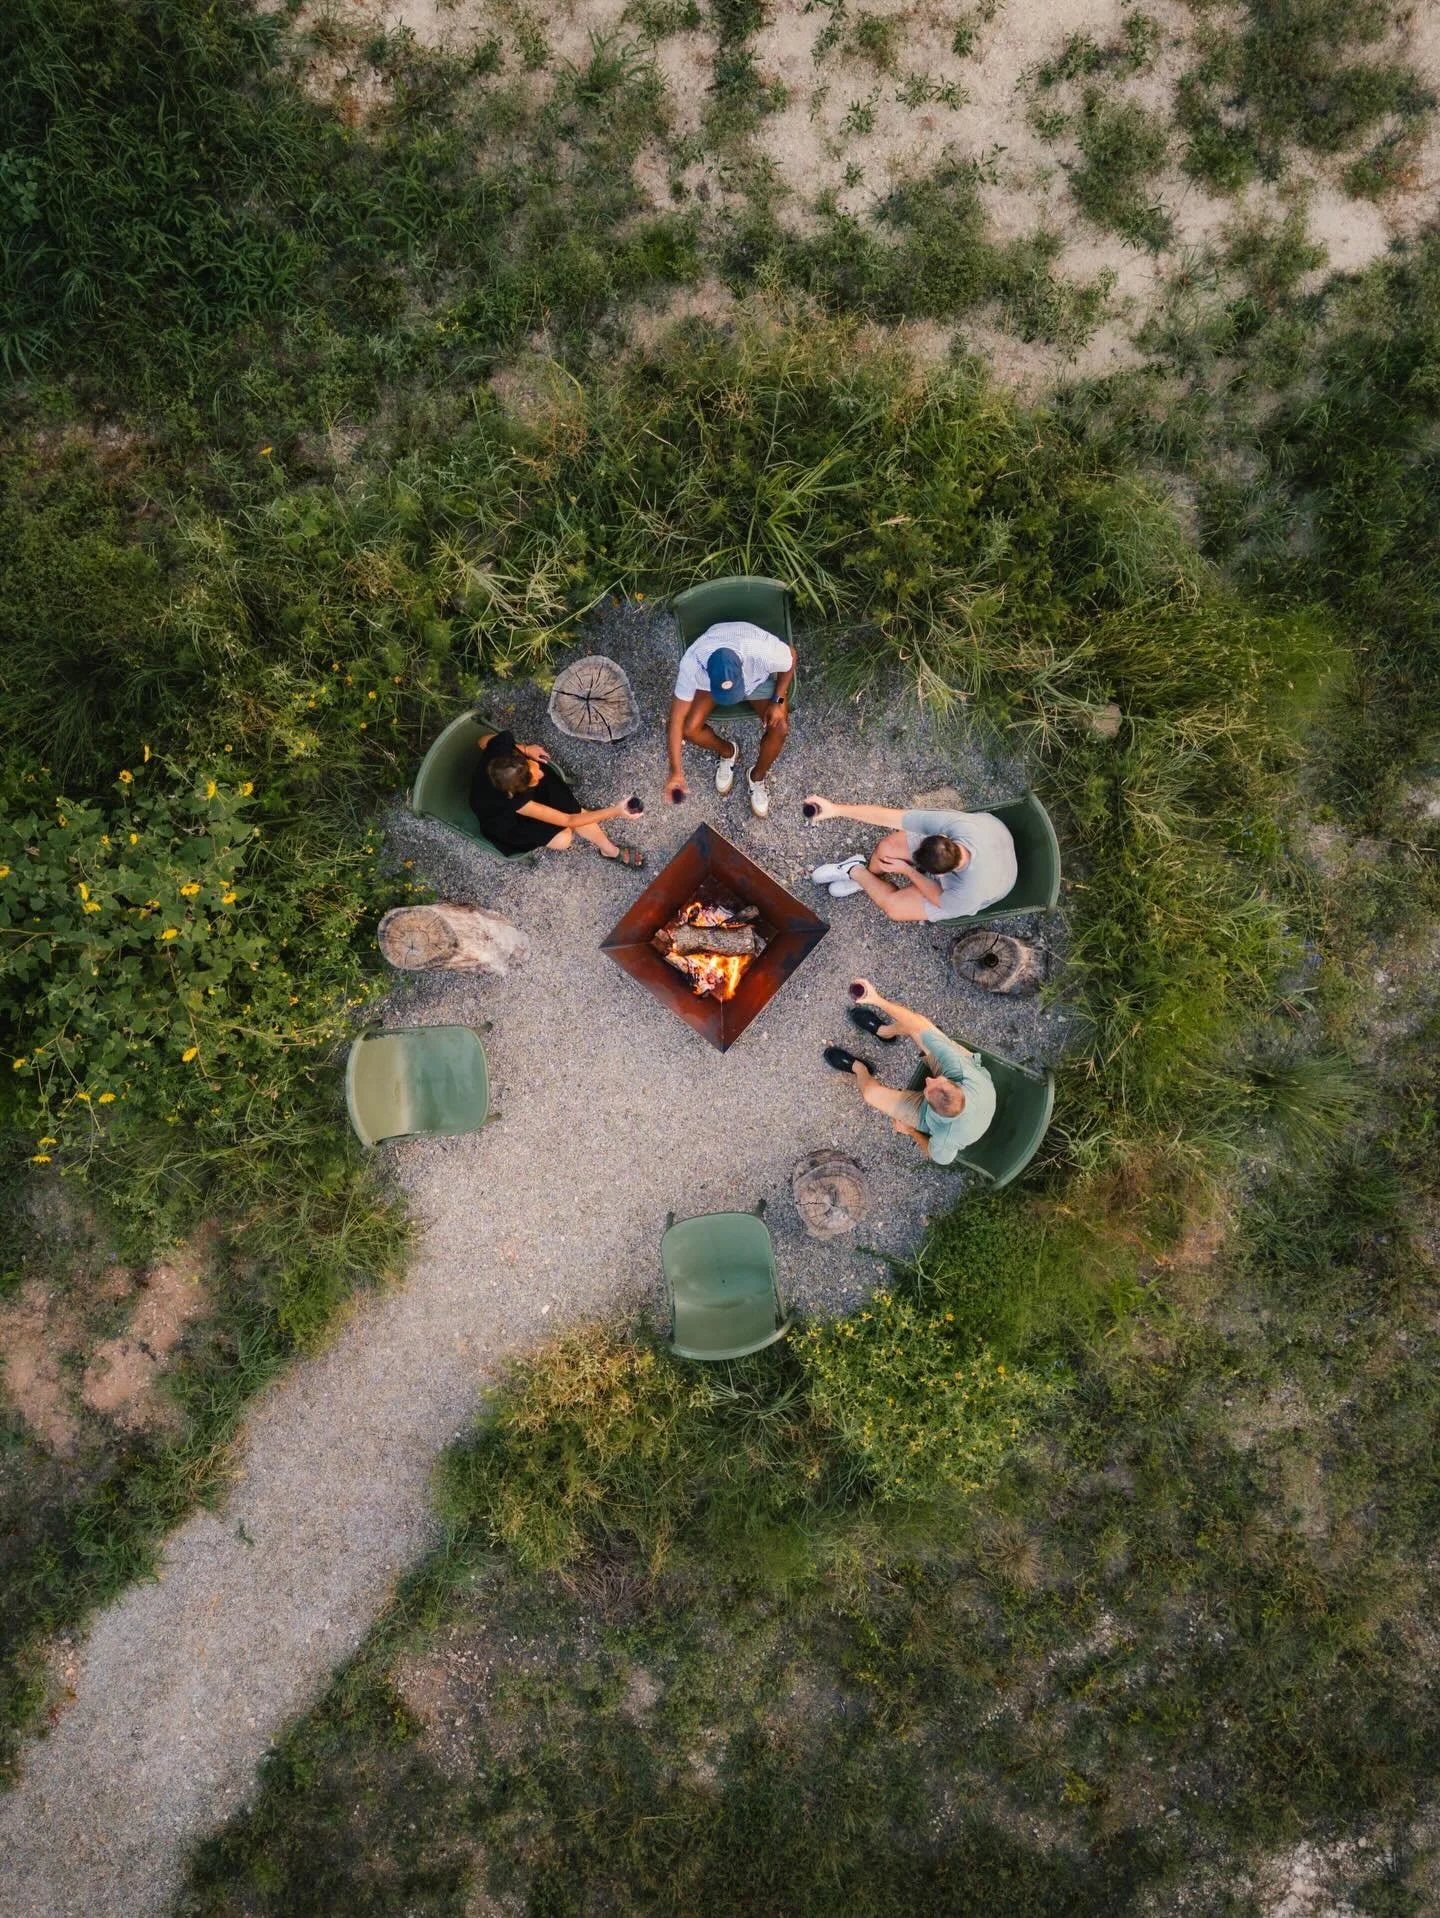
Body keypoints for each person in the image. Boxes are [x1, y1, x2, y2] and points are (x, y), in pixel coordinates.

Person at [823, 979, 995, 1163]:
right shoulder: (960, 1070)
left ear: (927, 1103)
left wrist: (911, 1131)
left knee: (870, 1095)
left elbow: (937, 1157)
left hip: (931, 1119)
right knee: (917, 1027)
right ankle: (884, 1032)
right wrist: (876, 999)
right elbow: (917, 1023)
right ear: (955, 1084)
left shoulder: (945, 1139)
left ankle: (859, 1068)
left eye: (927, 1089)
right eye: (938, 1080)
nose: (929, 1079)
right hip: (970, 1072)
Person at [803, 794, 1016, 922]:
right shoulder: (955, 826)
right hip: (995, 836)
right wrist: (837, 809)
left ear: (939, 875)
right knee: (886, 848)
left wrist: (907, 870)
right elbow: (890, 817)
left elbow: (937, 897)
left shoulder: (964, 896)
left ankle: (855, 871)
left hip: (990, 885)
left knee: (895, 909)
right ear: (943, 837)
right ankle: (869, 877)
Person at [665, 620, 796, 819]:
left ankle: (757, 777)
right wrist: (675, 771)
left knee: (780, 727)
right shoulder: (692, 664)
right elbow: (676, 720)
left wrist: (777, 699)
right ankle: (728, 752)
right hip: (710, 686)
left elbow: (791, 656)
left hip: (755, 680)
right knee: (688, 728)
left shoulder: (760, 650)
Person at [469, 730, 645, 865]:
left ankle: (610, 850)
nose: (541, 773)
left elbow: (482, 740)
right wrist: (616, 811)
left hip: (514, 784)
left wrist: (525, 749)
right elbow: (569, 820)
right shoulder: (515, 801)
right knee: (564, 838)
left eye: (533, 766)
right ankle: (606, 848)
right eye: (534, 778)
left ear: (515, 758)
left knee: (574, 809)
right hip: (507, 820)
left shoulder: (500, 750)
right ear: (519, 790)